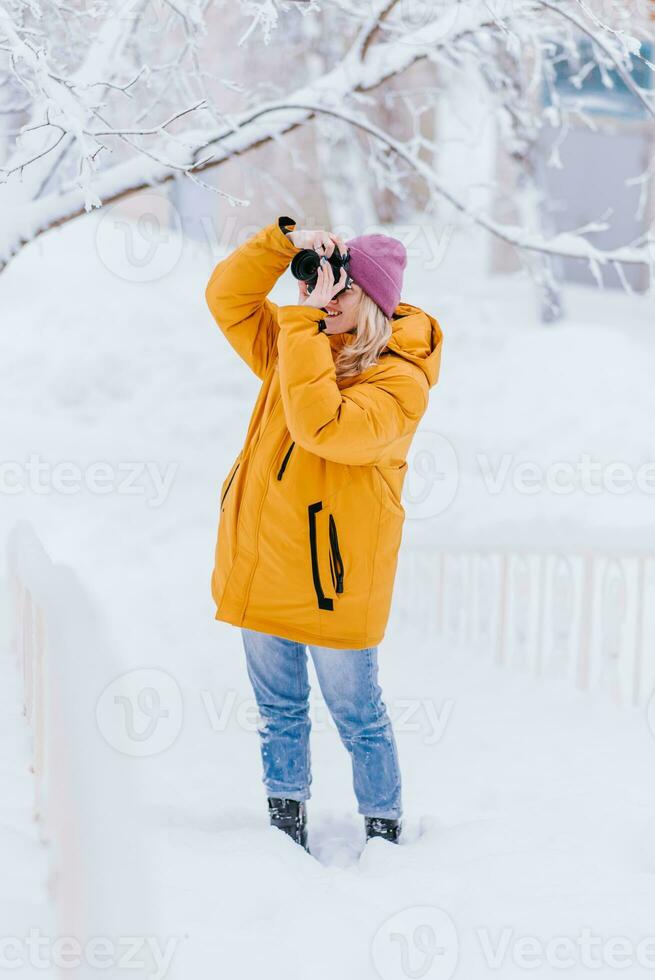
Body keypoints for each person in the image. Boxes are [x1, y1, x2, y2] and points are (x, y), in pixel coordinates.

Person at [205, 216, 442, 852]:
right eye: (321, 288)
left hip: (334, 584)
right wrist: (285, 240)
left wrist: (304, 324)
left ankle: (383, 831)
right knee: (279, 716)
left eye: (340, 293)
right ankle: (285, 829)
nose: (323, 300)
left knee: (359, 719)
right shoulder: (300, 343)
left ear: (371, 303)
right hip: (264, 564)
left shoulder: (398, 383)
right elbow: (227, 297)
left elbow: (323, 428)